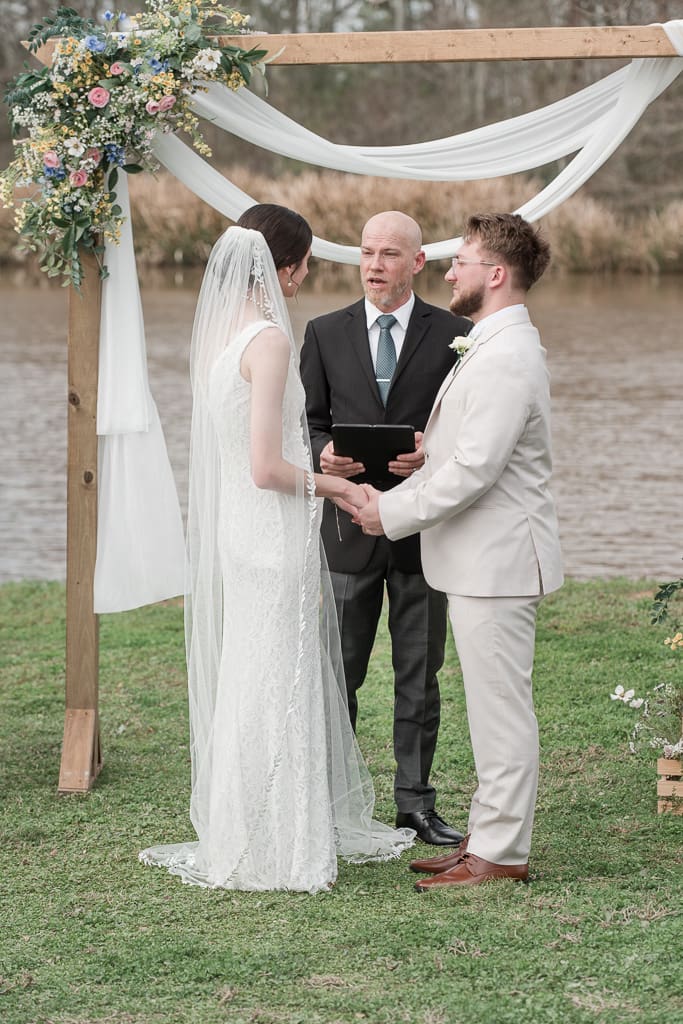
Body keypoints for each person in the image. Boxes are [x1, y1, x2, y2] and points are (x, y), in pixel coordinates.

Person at [140, 204, 414, 892]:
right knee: (282, 679)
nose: (301, 280)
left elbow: (249, 455)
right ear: (283, 266)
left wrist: (315, 463)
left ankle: (247, 828)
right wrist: (336, 486)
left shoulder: (219, 340)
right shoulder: (267, 341)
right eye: (303, 266)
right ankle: (285, 846)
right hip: (270, 530)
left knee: (252, 676)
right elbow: (267, 467)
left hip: (240, 530)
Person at [356, 212, 563, 888]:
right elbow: (468, 452)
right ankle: (485, 836)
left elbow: (476, 470)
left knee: (500, 712)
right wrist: (427, 458)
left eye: (462, 261)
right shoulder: (489, 342)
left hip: (497, 562)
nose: (448, 271)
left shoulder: (506, 353)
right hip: (480, 559)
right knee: (488, 707)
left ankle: (500, 855)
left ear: (495, 275)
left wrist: (386, 511)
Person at [300, 211, 471, 846]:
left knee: (419, 672)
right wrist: (322, 454)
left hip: (427, 529)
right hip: (346, 530)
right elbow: (307, 420)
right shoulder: (323, 333)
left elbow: (471, 427)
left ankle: (415, 802)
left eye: (390, 254)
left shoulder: (458, 333)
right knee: (340, 669)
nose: (374, 265)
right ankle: (333, 800)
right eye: (367, 253)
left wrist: (434, 450)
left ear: (418, 262)